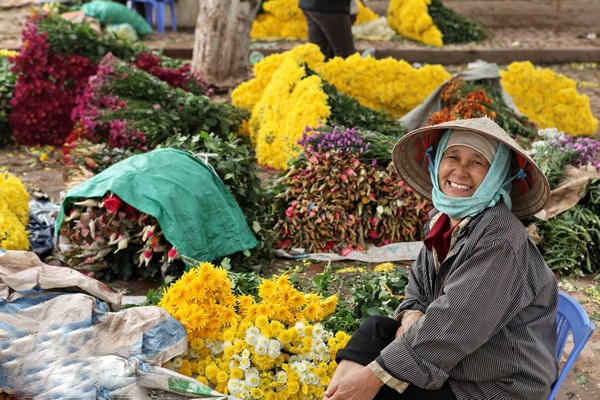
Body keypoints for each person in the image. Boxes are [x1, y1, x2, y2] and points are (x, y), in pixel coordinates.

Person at [325, 117, 558, 400]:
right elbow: (419, 287)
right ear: (437, 163)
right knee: (375, 329)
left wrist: (375, 377)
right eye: (453, 156)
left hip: (498, 381)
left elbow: (454, 323)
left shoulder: (500, 238)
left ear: (496, 174)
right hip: (466, 357)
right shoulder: (442, 220)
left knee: (380, 390)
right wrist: (412, 313)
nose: (460, 171)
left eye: (477, 163)